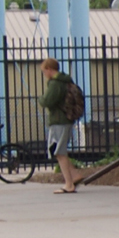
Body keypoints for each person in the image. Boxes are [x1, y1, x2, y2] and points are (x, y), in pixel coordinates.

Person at [38, 57, 82, 194]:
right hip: (66, 119)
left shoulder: (55, 84)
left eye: (44, 71)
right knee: (59, 150)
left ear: (49, 70)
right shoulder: (66, 81)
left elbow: (47, 101)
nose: (44, 74)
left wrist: (41, 99)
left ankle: (69, 184)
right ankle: (74, 175)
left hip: (59, 120)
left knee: (59, 152)